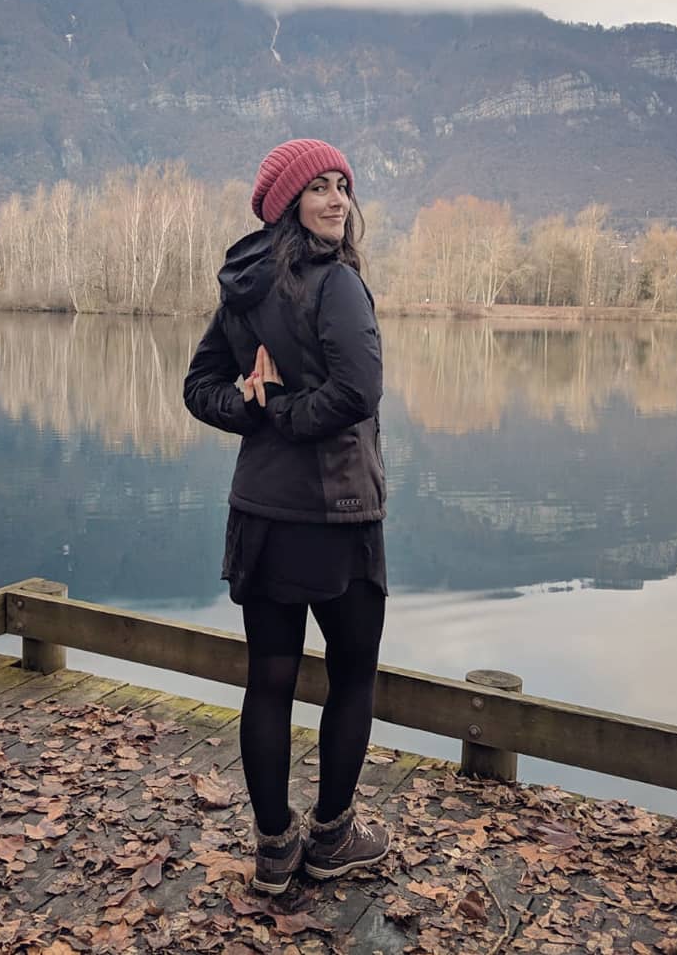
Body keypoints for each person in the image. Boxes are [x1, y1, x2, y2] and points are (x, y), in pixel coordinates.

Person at [183, 139, 390, 894]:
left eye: (343, 187)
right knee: (352, 675)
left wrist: (251, 406)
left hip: (263, 515)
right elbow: (359, 391)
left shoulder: (243, 285)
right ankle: (331, 837)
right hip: (335, 516)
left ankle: (274, 852)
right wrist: (287, 413)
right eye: (320, 189)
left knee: (268, 682)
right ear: (287, 205)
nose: (337, 200)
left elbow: (199, 386)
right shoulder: (334, 285)